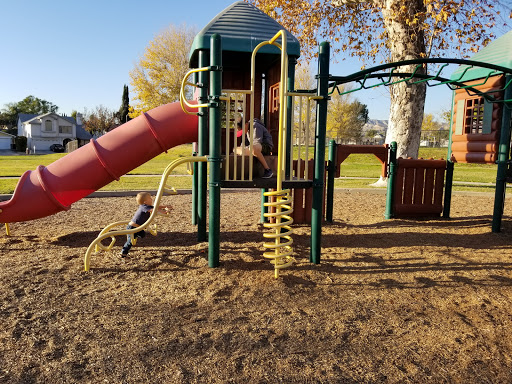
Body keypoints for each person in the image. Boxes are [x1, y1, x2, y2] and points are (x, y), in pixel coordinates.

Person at [120, 192, 171, 257]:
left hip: (139, 228)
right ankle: (123, 252)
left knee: (142, 235)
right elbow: (154, 210)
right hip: (132, 227)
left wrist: (165, 206)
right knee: (130, 242)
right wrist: (164, 211)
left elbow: (156, 207)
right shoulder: (144, 207)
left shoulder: (147, 206)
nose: (151, 199)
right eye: (149, 198)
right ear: (145, 202)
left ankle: (135, 236)